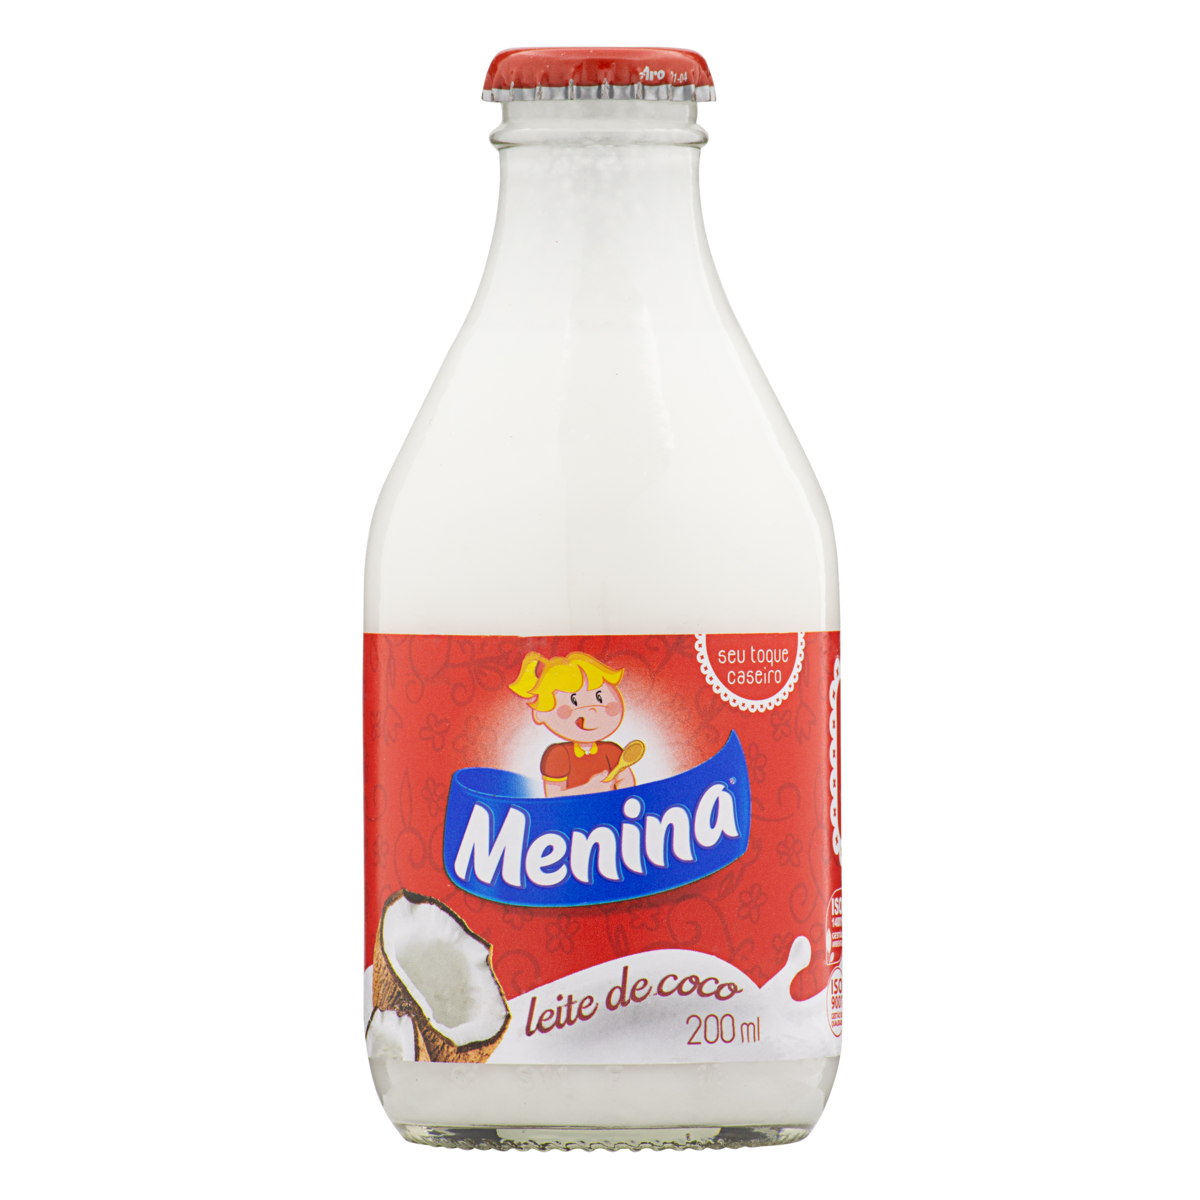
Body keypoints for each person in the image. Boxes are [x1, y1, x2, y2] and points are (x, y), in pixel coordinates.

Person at [509, 651, 636, 796]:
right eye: (574, 701)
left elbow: (626, 781)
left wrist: (620, 792)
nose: (592, 710)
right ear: (541, 713)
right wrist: (590, 788)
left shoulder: (612, 751)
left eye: (599, 697)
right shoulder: (558, 755)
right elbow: (554, 795)